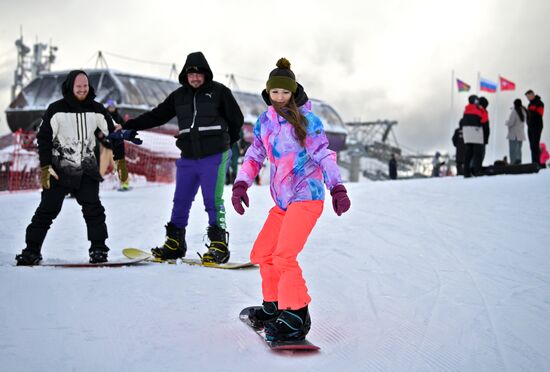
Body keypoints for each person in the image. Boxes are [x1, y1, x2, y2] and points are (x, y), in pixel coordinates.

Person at [231, 58, 351, 343]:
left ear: (294, 92)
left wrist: (337, 187)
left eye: (285, 92)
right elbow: (254, 155)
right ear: (268, 93)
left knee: (284, 255)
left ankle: (296, 313)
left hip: (307, 198)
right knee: (262, 253)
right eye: (275, 93)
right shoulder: (265, 122)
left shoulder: (308, 121)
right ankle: (274, 307)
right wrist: (241, 183)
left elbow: (324, 155)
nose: (280, 97)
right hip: (283, 203)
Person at [118, 51, 244, 264]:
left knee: (212, 201)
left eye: (198, 74)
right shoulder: (179, 96)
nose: (194, 78)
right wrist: (129, 125)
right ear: (185, 75)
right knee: (180, 200)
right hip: (188, 157)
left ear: (205, 74)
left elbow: (237, 120)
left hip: (214, 156)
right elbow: (157, 115)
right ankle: (175, 243)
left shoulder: (220, 92)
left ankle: (219, 245)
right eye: (190, 74)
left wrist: (225, 143)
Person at [15, 70, 127, 265]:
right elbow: (44, 138)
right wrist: (45, 166)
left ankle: (98, 250)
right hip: (59, 170)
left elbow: (114, 131)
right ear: (70, 87)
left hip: (87, 170)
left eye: (85, 86)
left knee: (94, 210)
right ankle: (31, 250)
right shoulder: (55, 109)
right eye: (78, 87)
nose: (82, 90)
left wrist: (120, 159)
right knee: (46, 211)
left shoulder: (97, 109)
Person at [98, 99, 131, 190]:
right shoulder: (103, 117)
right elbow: (98, 130)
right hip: (106, 147)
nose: (111, 108)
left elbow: (124, 128)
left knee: (120, 166)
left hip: (116, 147)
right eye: (110, 107)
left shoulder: (118, 118)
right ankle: (95, 185)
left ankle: (125, 184)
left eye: (113, 107)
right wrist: (100, 135)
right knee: (101, 166)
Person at [460, 95, 484, 177]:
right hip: (476, 132)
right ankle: (477, 171)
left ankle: (466, 173)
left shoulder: (466, 110)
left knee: (468, 154)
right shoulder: (478, 109)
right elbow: (483, 120)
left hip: (467, 134)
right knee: (478, 154)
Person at [505, 98, 527, 165]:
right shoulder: (524, 111)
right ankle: (519, 164)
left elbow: (511, 123)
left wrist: (506, 122)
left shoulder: (514, 111)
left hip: (514, 135)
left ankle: (513, 164)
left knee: (513, 151)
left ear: (514, 104)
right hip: (521, 135)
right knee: (518, 151)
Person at [525, 90, 545, 165]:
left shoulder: (539, 103)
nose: (528, 98)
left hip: (537, 126)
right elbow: (528, 116)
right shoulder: (529, 105)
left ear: (532, 94)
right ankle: (534, 162)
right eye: (527, 97)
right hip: (530, 127)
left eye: (528, 96)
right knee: (531, 145)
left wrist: (530, 112)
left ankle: (537, 162)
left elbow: (540, 114)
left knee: (535, 144)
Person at [478, 96, 490, 165]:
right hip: (481, 137)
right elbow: (486, 126)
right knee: (480, 154)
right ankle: (476, 169)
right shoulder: (483, 112)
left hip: (478, 137)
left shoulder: (478, 111)